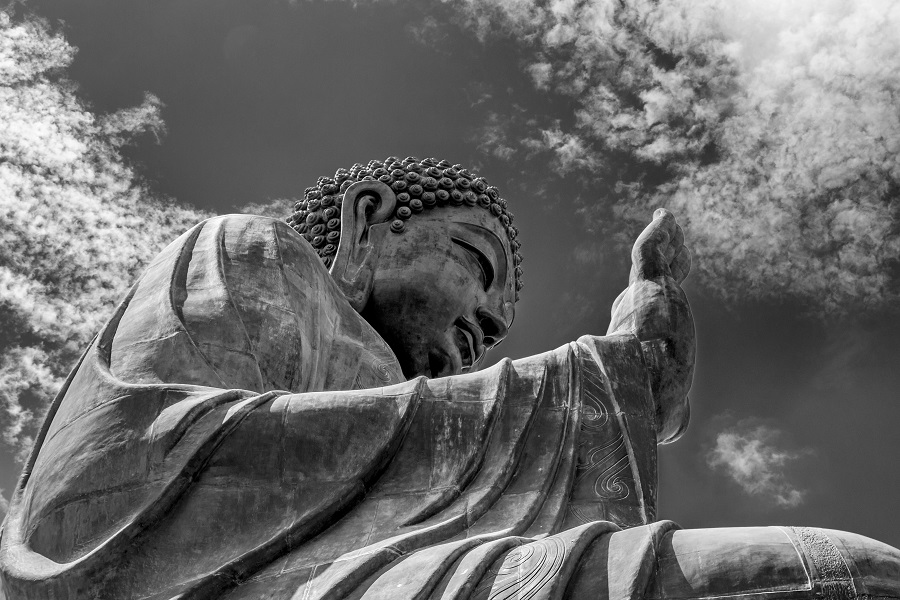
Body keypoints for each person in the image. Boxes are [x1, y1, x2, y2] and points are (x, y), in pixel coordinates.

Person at [1, 157, 897, 600]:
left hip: (407, 565)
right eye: (475, 262)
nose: (490, 327)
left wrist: (624, 378)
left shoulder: (398, 387)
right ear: (369, 221)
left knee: (847, 574)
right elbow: (124, 476)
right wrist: (600, 375)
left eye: (501, 325)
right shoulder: (257, 257)